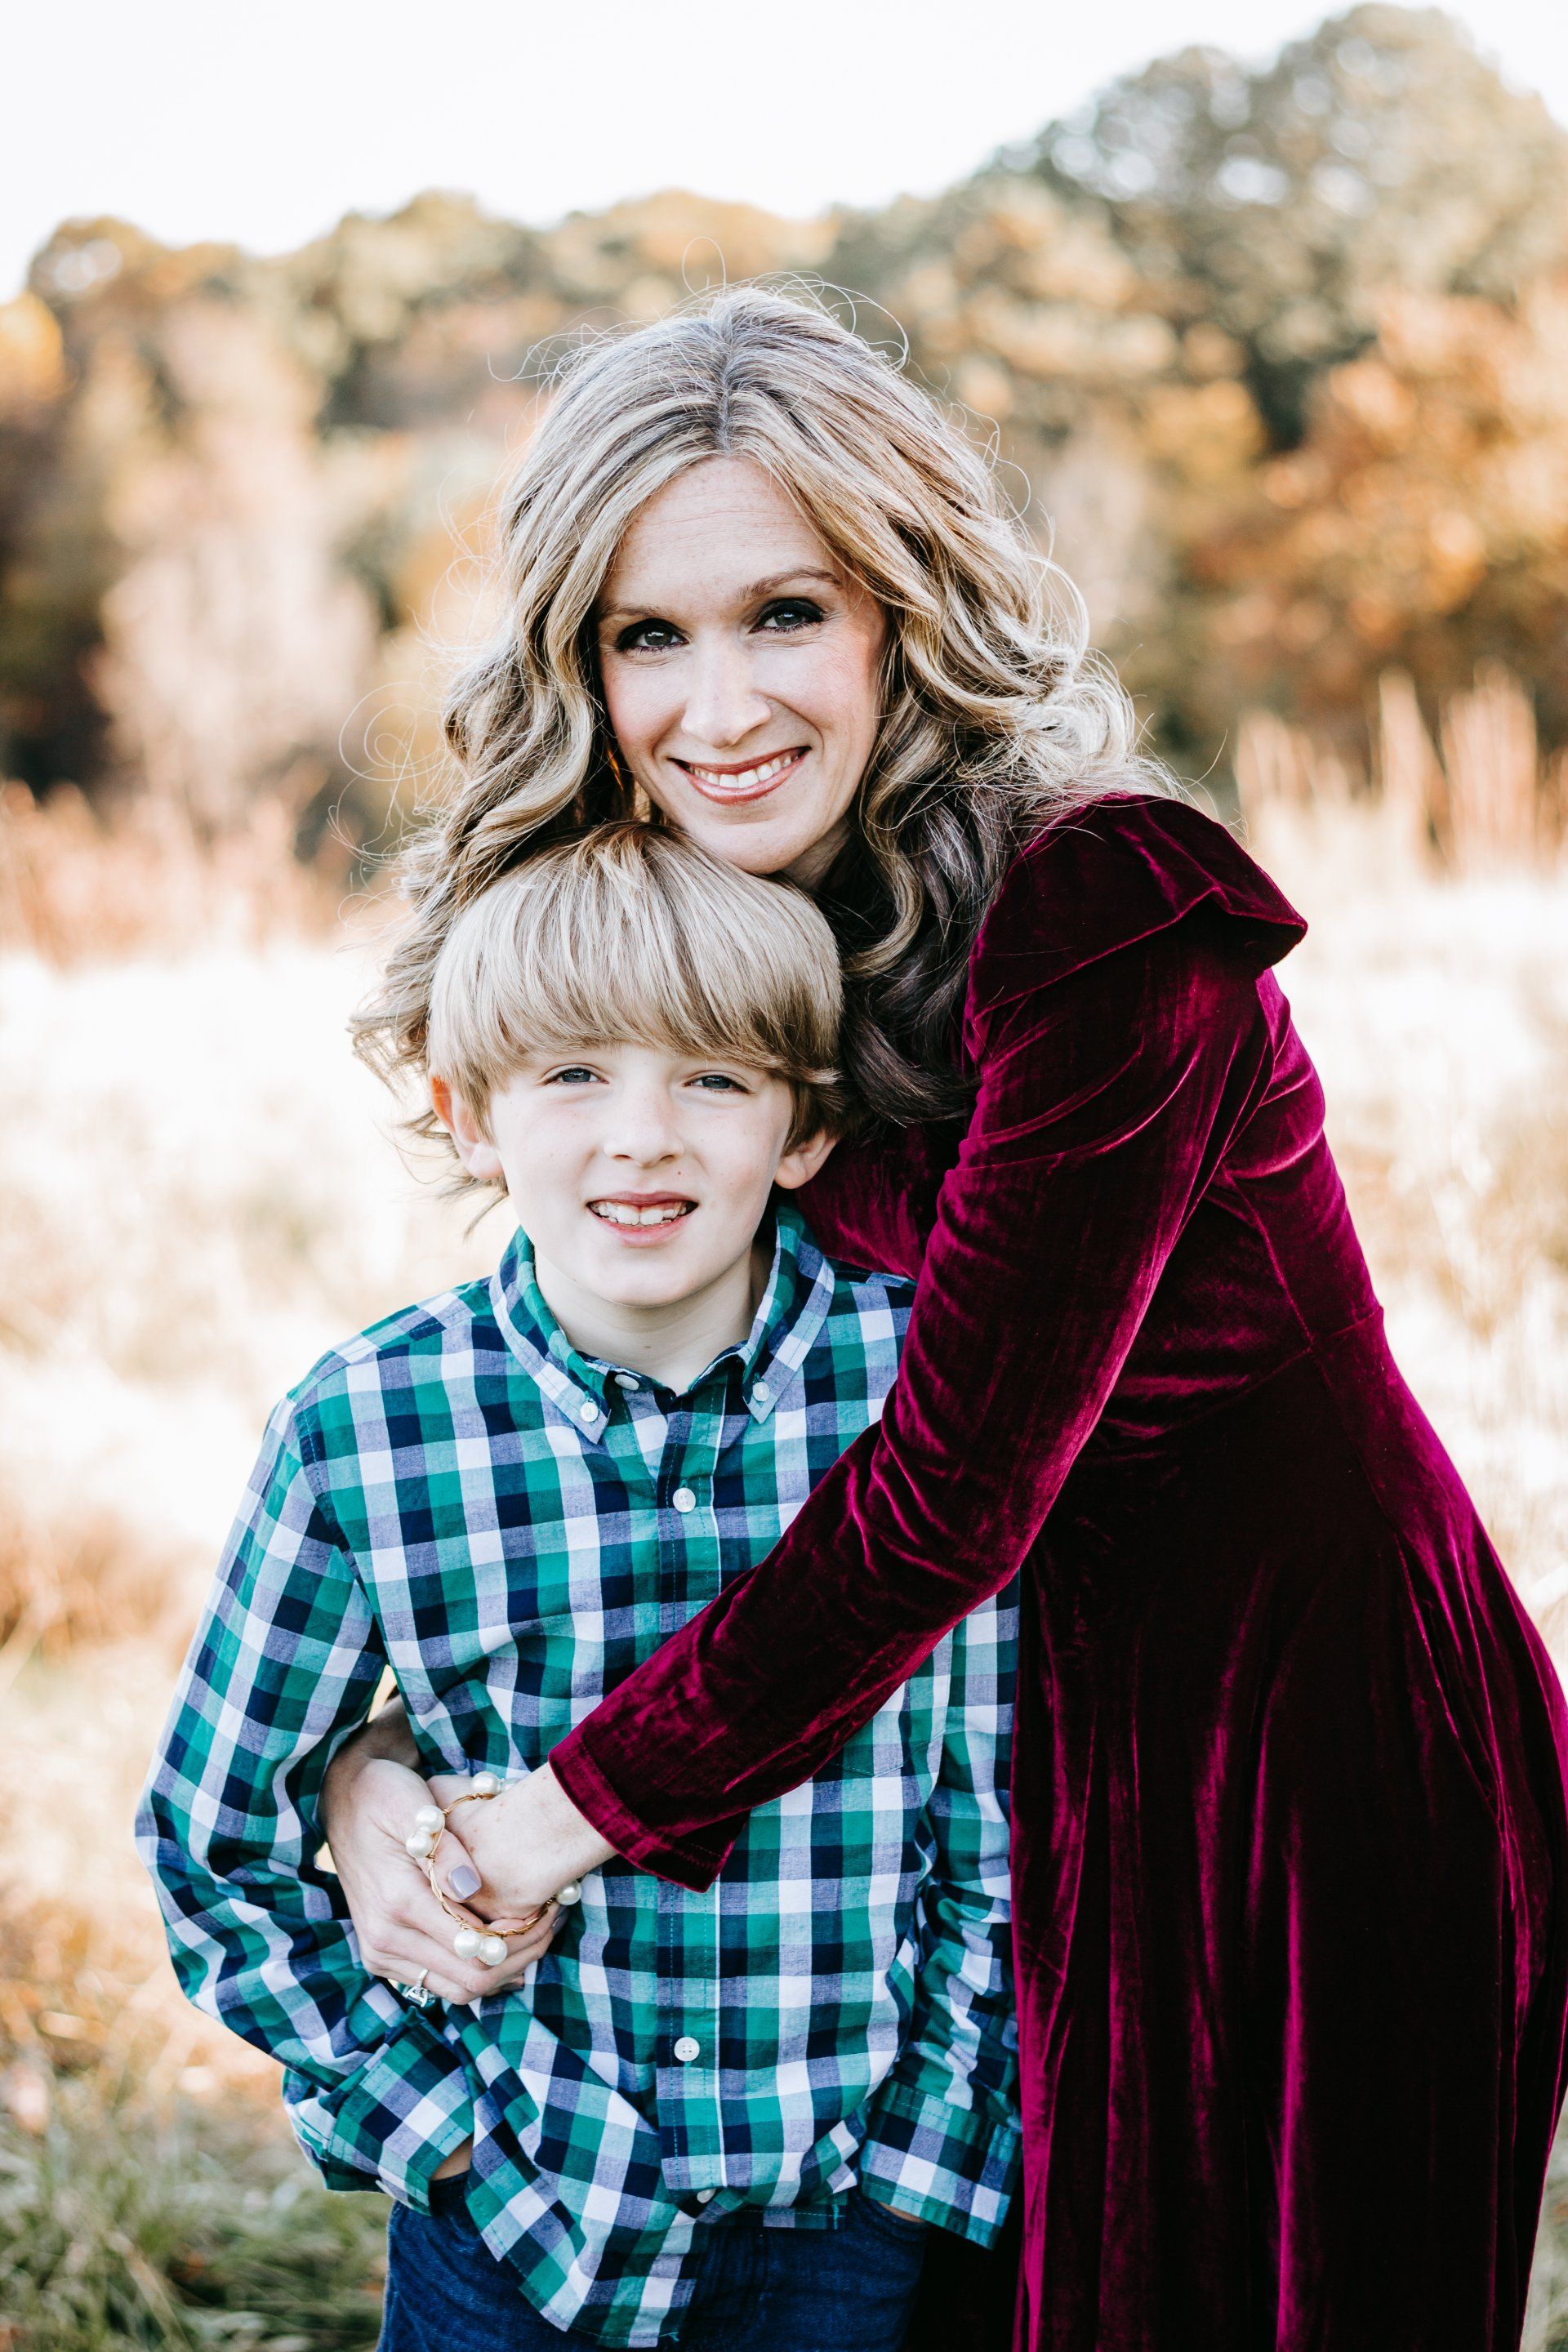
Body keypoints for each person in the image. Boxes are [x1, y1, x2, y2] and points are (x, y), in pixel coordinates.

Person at [318, 284, 1568, 2350]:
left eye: (783, 613)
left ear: (906, 608)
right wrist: (379, 1768)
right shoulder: (723, 946)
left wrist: (550, 1818)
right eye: (651, 636)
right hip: (966, 1780)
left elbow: (944, 1503)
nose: (720, 703)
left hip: (1281, 1766)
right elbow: (584, 1421)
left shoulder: (1095, 915)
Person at [137, 824, 1020, 2352]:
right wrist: (442, 2140)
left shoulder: (917, 1395)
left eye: (716, 1079)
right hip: (518, 2225)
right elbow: (217, 1845)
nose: (643, 1137)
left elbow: (995, 1807)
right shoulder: (367, 1431)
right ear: (466, 1111)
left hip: (843, 2217)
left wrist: (922, 2160)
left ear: (806, 1129)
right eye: (572, 1076)